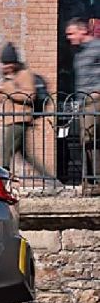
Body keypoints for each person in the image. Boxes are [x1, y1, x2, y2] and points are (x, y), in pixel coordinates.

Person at [0, 42, 50, 178]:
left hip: (20, 119)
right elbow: (2, 99)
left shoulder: (24, 74)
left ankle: (2, 182)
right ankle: (52, 180)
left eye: (8, 63)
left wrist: (8, 89)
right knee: (26, 156)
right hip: (10, 120)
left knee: (5, 152)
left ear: (14, 63)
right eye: (4, 63)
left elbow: (30, 96)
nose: (5, 67)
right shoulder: (8, 78)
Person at [66, 17, 100, 189]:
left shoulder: (97, 47)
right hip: (82, 103)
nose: (69, 37)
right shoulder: (79, 53)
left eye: (72, 33)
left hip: (94, 101)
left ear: (83, 31)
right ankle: (89, 181)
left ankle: (93, 180)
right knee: (86, 141)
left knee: (89, 139)